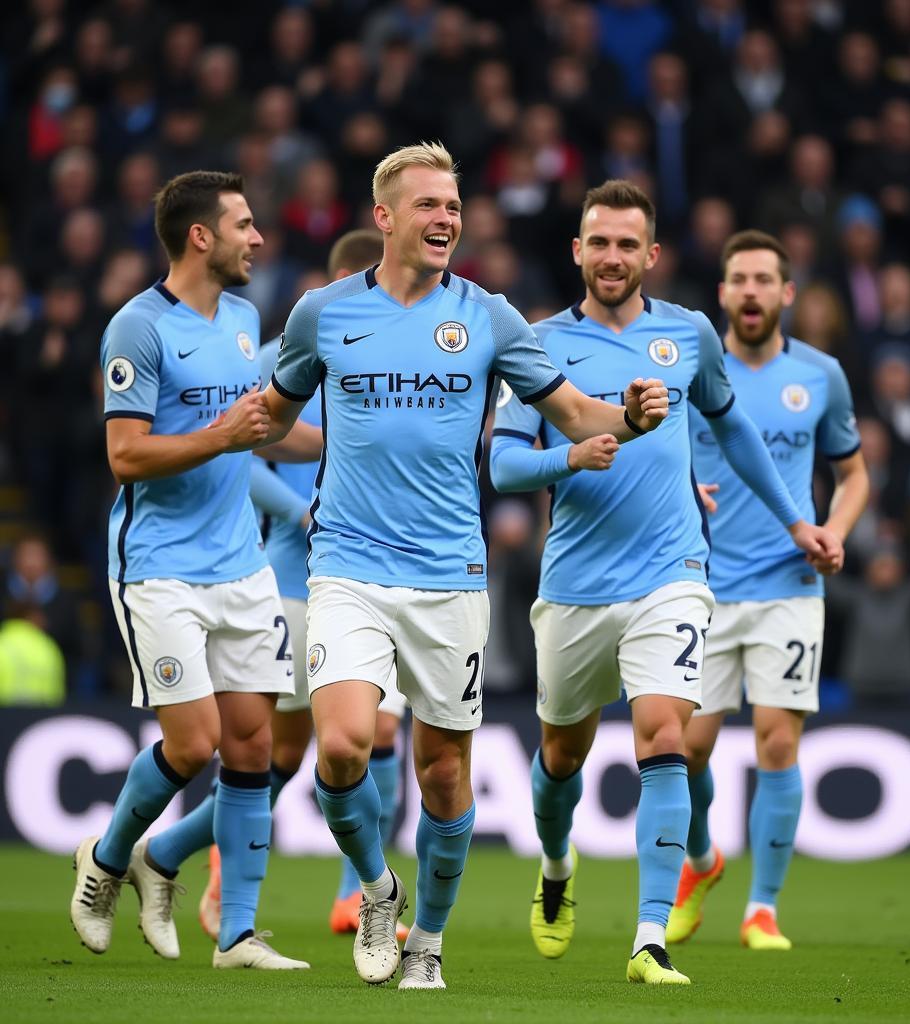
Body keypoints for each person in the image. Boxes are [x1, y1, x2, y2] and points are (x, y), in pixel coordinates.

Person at [254, 142, 672, 991]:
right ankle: (378, 886)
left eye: (452, 205)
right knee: (339, 750)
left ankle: (428, 943)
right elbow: (274, 417)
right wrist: (211, 441)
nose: (447, 217)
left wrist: (626, 418)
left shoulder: (490, 316)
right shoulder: (320, 314)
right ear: (384, 217)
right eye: (428, 205)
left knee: (442, 771)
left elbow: (572, 411)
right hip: (346, 565)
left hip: (450, 574)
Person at [490, 182, 842, 985]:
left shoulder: (686, 335)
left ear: (651, 255)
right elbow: (504, 464)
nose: (612, 257)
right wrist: (569, 456)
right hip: (576, 583)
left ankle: (648, 937)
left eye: (627, 245)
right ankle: (554, 867)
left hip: (673, 573)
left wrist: (795, 521)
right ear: (577, 250)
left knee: (665, 740)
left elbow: (735, 432)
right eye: (598, 243)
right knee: (559, 760)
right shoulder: (536, 345)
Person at [143, 230, 410, 943]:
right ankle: (176, 855)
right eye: (358, 284)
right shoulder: (276, 357)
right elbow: (239, 452)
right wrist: (299, 508)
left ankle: (355, 894)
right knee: (284, 757)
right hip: (296, 579)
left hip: (388, 577)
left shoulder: (405, 355)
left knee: (376, 731)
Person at [70, 170, 308, 970]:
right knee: (195, 739)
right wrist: (222, 435)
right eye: (244, 224)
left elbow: (260, 430)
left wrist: (359, 445)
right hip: (160, 566)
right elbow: (126, 453)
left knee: (251, 749)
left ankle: (237, 935)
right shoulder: (137, 328)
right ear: (201, 236)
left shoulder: (243, 320)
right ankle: (107, 860)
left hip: (241, 565)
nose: (258, 238)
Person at [667, 229, 868, 951]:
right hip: (700, 585)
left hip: (788, 586)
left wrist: (835, 529)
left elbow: (854, 474)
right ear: (721, 293)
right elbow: (653, 448)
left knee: (777, 744)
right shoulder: (688, 369)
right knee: (685, 752)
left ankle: (762, 910)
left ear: (787, 294)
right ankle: (701, 862)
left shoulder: (821, 375)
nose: (750, 291)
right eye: (738, 279)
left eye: (763, 280)